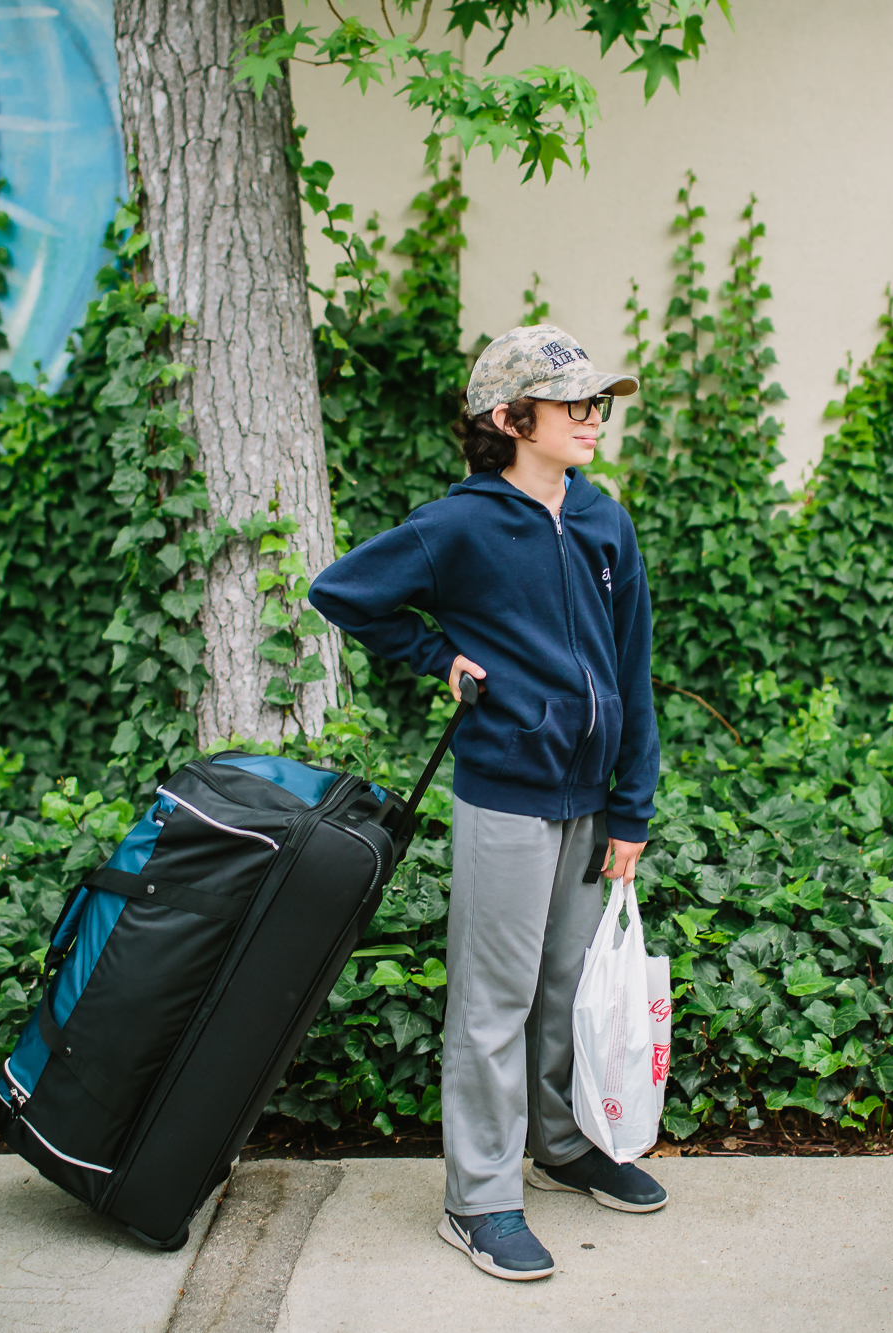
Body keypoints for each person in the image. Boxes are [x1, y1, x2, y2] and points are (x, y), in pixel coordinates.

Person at [309, 325, 664, 1281]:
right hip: (506, 794)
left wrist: (634, 807)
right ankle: (479, 1198)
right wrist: (441, 657)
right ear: (509, 420)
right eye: (573, 404)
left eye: (600, 402)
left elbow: (632, 667)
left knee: (561, 987)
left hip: (593, 801)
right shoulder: (458, 526)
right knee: (493, 1001)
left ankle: (560, 1144)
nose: (593, 418)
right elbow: (342, 591)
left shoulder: (604, 522)